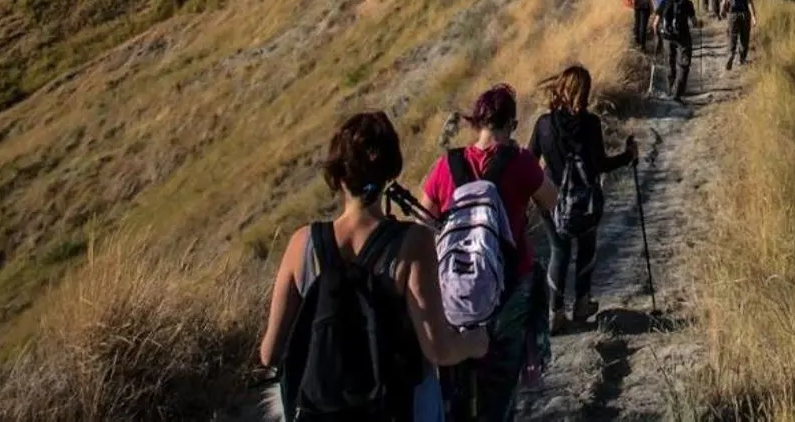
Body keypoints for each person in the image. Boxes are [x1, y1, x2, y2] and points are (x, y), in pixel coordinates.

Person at [260, 112, 487, 422]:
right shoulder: (413, 242)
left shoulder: (302, 243)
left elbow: (269, 353)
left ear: (338, 175)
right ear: (389, 173)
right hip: (395, 409)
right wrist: (475, 342)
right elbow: (438, 349)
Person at [420, 87, 557, 422]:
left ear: (476, 122)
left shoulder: (446, 165)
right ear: (511, 123)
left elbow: (422, 223)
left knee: (455, 380)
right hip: (510, 282)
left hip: (454, 290)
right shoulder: (521, 161)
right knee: (500, 379)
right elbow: (552, 202)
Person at [528, 66, 637, 334]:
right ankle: (581, 303)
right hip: (585, 198)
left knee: (558, 250)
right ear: (584, 92)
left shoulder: (543, 124)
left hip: (551, 198)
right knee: (586, 246)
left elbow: (529, 162)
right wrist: (628, 155)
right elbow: (600, 164)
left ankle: (555, 312)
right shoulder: (590, 124)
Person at [655, 0, 698, 100]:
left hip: (667, 37)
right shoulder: (687, 3)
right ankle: (677, 93)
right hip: (683, 36)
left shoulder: (664, 2)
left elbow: (655, 24)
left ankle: (670, 88)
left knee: (670, 62)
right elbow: (694, 22)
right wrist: (699, 24)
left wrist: (658, 37)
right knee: (683, 64)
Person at [722, 0, 758, 70]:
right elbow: (749, 1)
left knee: (732, 36)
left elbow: (724, 0)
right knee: (744, 38)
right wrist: (753, 16)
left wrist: (723, 11)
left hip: (732, 14)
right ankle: (742, 59)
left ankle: (731, 55)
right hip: (745, 13)